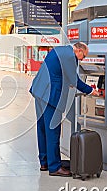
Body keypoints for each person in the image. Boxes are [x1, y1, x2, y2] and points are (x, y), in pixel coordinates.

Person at [29, 42, 100, 177]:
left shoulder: (60, 50)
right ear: (78, 50)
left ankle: (44, 162)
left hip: (39, 91)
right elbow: (75, 80)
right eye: (83, 56)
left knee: (42, 129)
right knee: (53, 130)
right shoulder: (69, 56)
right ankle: (55, 167)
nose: (82, 60)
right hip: (50, 96)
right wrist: (91, 91)